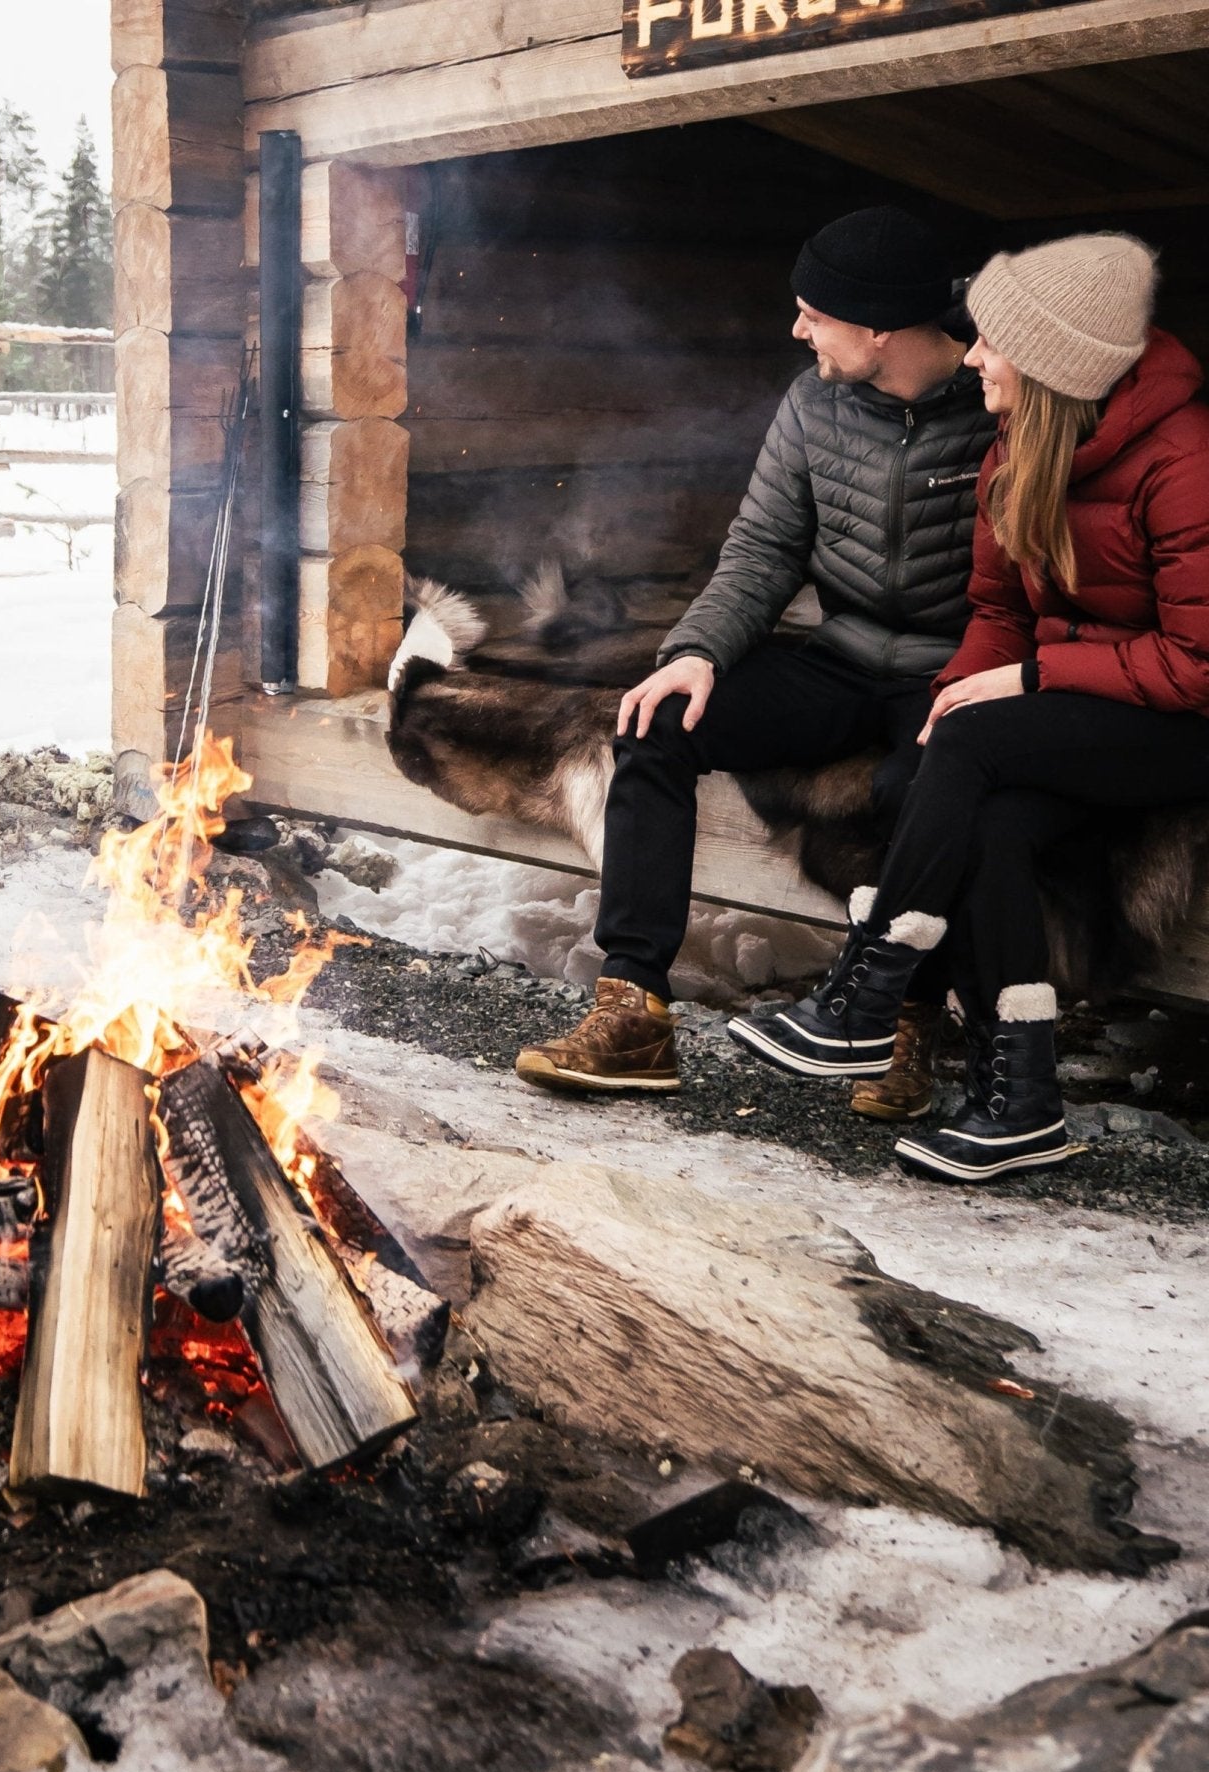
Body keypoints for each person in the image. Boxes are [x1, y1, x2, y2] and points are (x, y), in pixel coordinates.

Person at [729, 233, 1209, 1182]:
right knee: (971, 797)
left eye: (992, 342)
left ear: (1055, 364)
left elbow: (1198, 663)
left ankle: (865, 995)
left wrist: (1026, 683)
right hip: (1090, 704)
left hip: (1183, 721)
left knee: (979, 743)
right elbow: (995, 611)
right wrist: (955, 697)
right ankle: (1020, 1102)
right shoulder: (1020, 444)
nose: (973, 355)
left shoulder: (1182, 459)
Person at [516, 207, 995, 1119]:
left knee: (919, 788)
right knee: (655, 720)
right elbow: (765, 548)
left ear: (880, 328)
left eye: (815, 314)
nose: (797, 330)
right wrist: (694, 653)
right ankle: (634, 1010)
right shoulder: (813, 401)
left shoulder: (999, 401)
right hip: (841, 652)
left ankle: (907, 1023)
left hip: (956, 668)